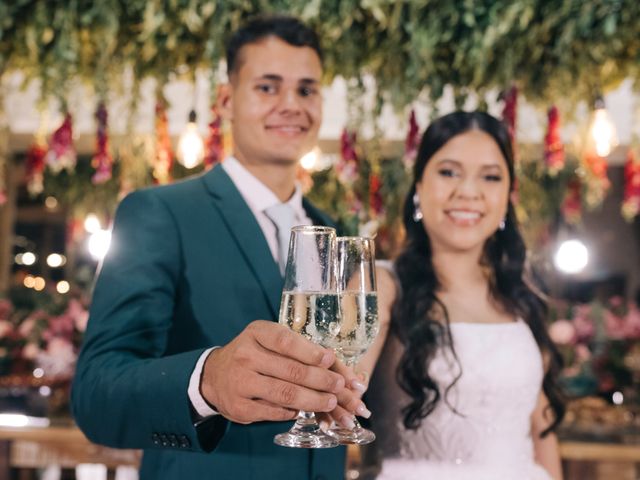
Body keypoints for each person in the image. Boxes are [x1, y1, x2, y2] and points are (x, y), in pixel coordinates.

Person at [71, 15, 368, 480]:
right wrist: (206, 381)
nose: (291, 105)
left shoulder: (329, 231)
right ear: (227, 100)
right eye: (268, 87)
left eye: (307, 90)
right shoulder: (159, 212)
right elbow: (94, 396)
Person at [358, 111, 566, 479]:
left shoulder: (521, 297)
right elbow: (336, 389)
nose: (468, 192)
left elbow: (542, 433)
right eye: (449, 172)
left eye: (490, 176)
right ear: (419, 187)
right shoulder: (382, 284)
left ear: (506, 196)